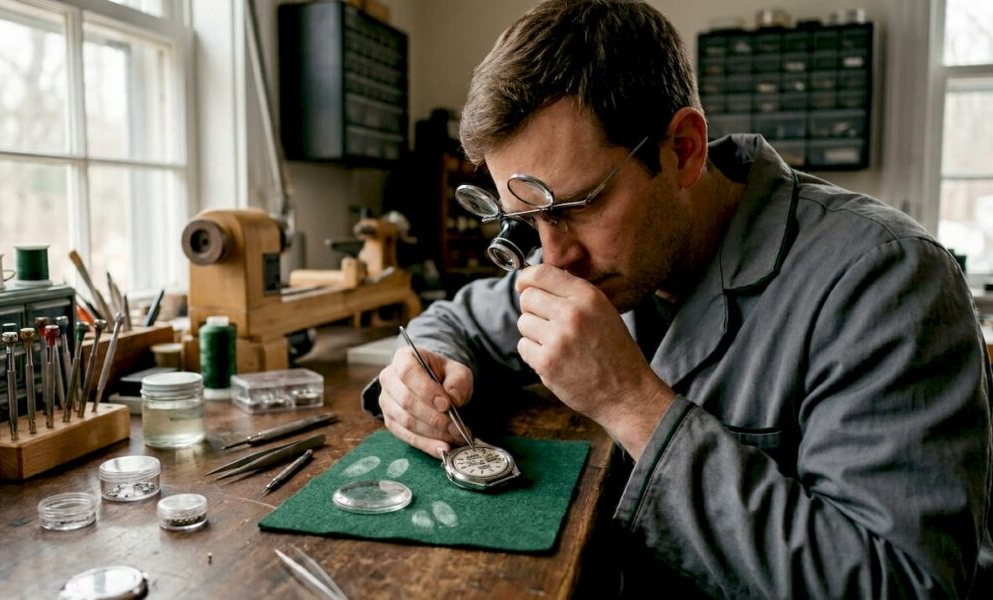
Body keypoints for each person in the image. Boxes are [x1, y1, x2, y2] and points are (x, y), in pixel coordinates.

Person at [364, 0, 993, 596]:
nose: (554, 258)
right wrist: (422, 372)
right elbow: (459, 320)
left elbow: (897, 583)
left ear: (684, 150)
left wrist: (628, 401)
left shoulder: (887, 281)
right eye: (528, 221)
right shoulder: (602, 259)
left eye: (576, 208)